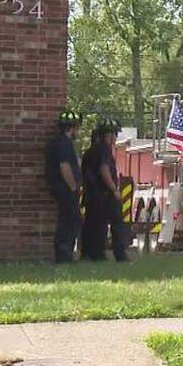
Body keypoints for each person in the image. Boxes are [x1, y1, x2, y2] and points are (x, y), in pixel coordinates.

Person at [81, 119, 129, 262]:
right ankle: (119, 255)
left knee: (94, 225)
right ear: (109, 135)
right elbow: (104, 169)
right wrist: (114, 189)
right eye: (114, 134)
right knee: (116, 224)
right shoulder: (104, 150)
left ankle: (92, 253)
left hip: (92, 195)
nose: (115, 138)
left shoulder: (90, 151)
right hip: (105, 195)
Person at [46, 110, 83, 263]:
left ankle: (64, 253)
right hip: (66, 189)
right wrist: (73, 186)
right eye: (77, 128)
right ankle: (64, 255)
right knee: (69, 221)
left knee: (67, 219)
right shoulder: (64, 143)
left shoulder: (57, 142)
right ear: (71, 127)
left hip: (61, 187)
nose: (78, 131)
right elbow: (64, 166)